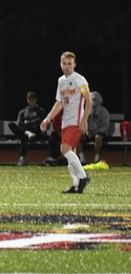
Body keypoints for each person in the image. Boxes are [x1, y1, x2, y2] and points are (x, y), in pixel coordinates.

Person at [41, 51, 92, 193]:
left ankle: (83, 177)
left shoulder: (79, 79)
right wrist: (48, 118)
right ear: (60, 64)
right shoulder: (61, 81)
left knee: (64, 150)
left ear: (74, 64)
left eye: (69, 64)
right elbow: (59, 103)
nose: (67, 66)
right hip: (65, 121)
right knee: (71, 154)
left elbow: (88, 100)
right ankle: (76, 185)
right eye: (64, 63)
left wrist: (84, 119)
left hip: (76, 121)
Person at [8, 91, 47, 166]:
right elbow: (19, 123)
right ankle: (27, 133)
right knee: (12, 125)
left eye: (32, 101)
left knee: (23, 136)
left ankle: (21, 158)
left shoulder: (40, 111)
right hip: (25, 133)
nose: (31, 102)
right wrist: (26, 127)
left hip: (36, 133)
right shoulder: (22, 112)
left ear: (36, 100)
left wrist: (28, 123)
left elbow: (40, 121)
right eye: (29, 100)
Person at [78, 91, 110, 163]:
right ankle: (81, 158)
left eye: (94, 100)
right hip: (88, 133)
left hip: (99, 133)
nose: (92, 101)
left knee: (98, 137)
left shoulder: (104, 112)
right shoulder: (85, 111)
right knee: (78, 136)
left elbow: (105, 126)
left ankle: (96, 158)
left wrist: (95, 132)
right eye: (91, 99)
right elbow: (81, 123)